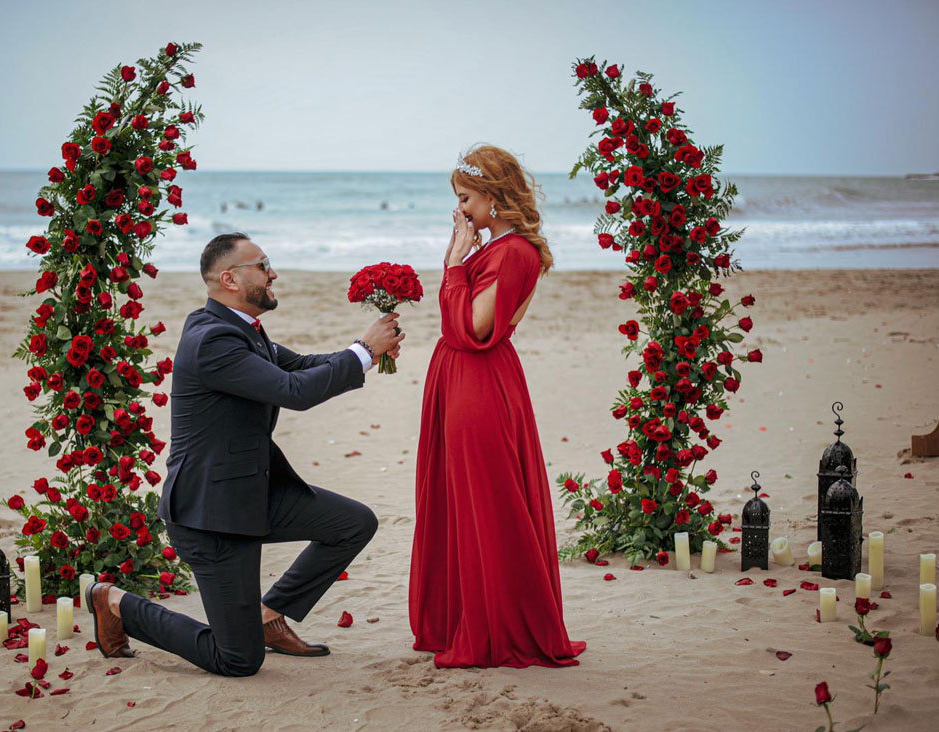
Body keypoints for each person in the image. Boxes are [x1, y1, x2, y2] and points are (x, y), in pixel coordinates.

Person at [86, 232, 405, 677]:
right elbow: (294, 391)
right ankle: (117, 603)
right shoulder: (213, 340)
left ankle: (268, 614)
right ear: (230, 278)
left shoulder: (241, 328)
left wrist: (367, 350)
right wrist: (365, 351)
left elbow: (298, 367)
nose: (273, 273)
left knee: (353, 523)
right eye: (263, 265)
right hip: (211, 517)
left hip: (252, 494)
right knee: (237, 660)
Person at [409, 145, 586, 668]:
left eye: (465, 198)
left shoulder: (513, 253)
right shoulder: (505, 248)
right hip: (468, 379)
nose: (460, 210)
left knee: (488, 504)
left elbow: (475, 328)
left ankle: (496, 624)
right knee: (464, 499)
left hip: (479, 384)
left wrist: (452, 265)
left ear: (493, 196)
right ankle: (464, 614)